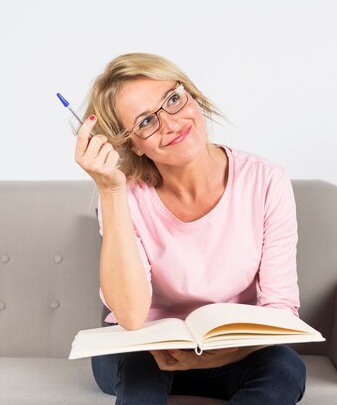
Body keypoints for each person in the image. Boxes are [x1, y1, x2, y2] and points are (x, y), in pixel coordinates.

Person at [74, 52, 306, 405]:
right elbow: (132, 316)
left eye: (173, 99)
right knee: (138, 376)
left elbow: (281, 309)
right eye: (146, 121)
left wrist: (226, 354)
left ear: (192, 96)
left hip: (234, 351)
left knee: (285, 367)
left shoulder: (266, 180)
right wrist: (110, 190)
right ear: (131, 144)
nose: (171, 123)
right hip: (145, 351)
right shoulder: (124, 195)